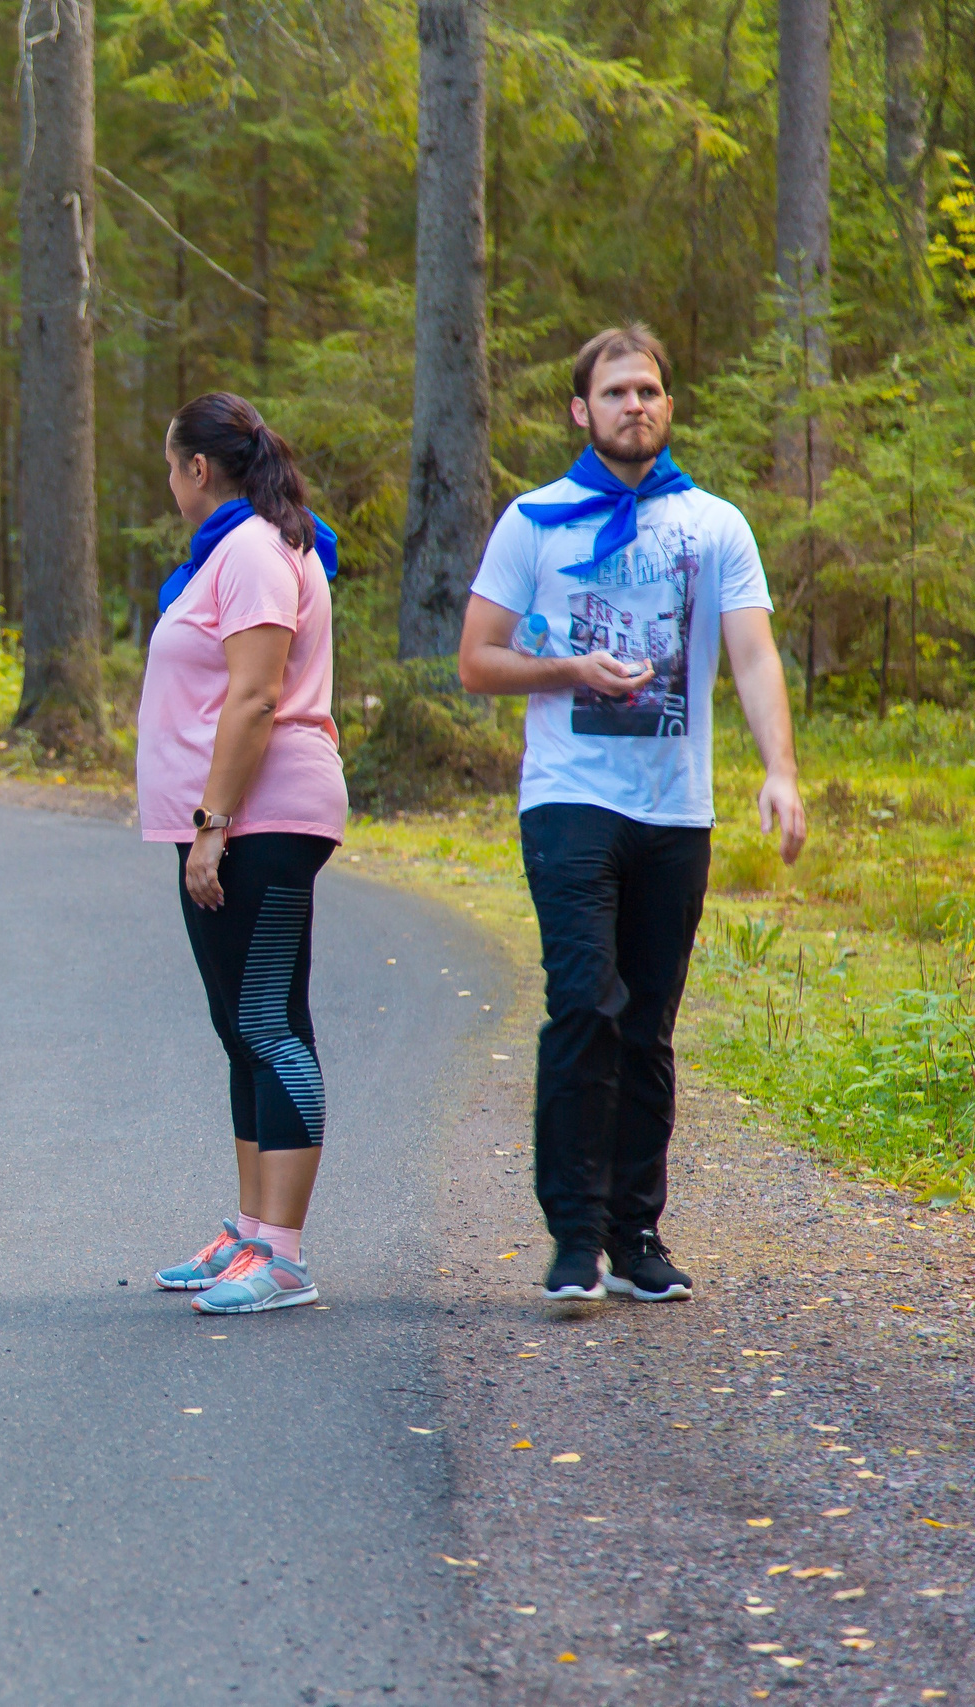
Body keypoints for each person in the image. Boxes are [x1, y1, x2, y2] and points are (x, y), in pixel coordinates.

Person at [457, 324, 805, 1304]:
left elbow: (752, 655)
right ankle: (573, 1238)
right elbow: (475, 659)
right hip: (568, 800)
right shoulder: (536, 521)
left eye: (647, 390)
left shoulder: (714, 527)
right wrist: (567, 668)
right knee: (583, 1003)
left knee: (647, 1021)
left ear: (666, 404)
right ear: (581, 410)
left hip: (674, 809)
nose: (633, 406)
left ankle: (635, 1234)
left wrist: (779, 770)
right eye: (614, 393)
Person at [140, 393, 349, 1315]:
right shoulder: (231, 552)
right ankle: (253, 1232)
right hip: (227, 819)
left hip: (264, 816)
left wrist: (213, 823)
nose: (168, 482)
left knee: (271, 1021)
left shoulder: (258, 552)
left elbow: (257, 697)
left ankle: (287, 1257)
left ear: (196, 468)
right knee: (242, 1030)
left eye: (168, 465)